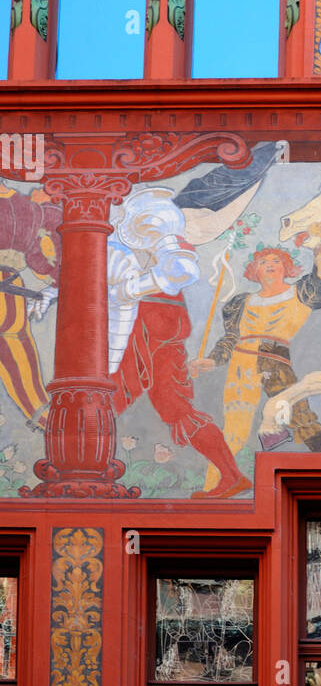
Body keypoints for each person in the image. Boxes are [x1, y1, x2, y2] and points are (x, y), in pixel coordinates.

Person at [108, 188, 251, 500]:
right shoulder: (123, 234)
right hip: (161, 320)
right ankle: (232, 475)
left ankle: (81, 469)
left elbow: (182, 268)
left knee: (109, 396)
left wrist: (131, 288)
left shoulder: (155, 223)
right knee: (175, 408)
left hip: (149, 316)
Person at [190, 245, 321, 487]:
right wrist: (212, 360)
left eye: (276, 260)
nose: (269, 264)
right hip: (241, 364)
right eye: (262, 261)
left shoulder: (301, 292)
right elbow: (230, 339)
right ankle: (214, 486)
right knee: (233, 431)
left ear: (286, 267)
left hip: (275, 362)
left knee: (302, 420)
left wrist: (320, 254)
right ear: (254, 271)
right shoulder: (241, 302)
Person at [0, 182, 60, 427]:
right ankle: (43, 417)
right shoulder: (28, 207)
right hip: (10, 284)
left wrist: (54, 283)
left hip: (9, 286)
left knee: (15, 345)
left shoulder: (28, 208)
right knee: (14, 344)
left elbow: (42, 256)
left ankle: (44, 417)